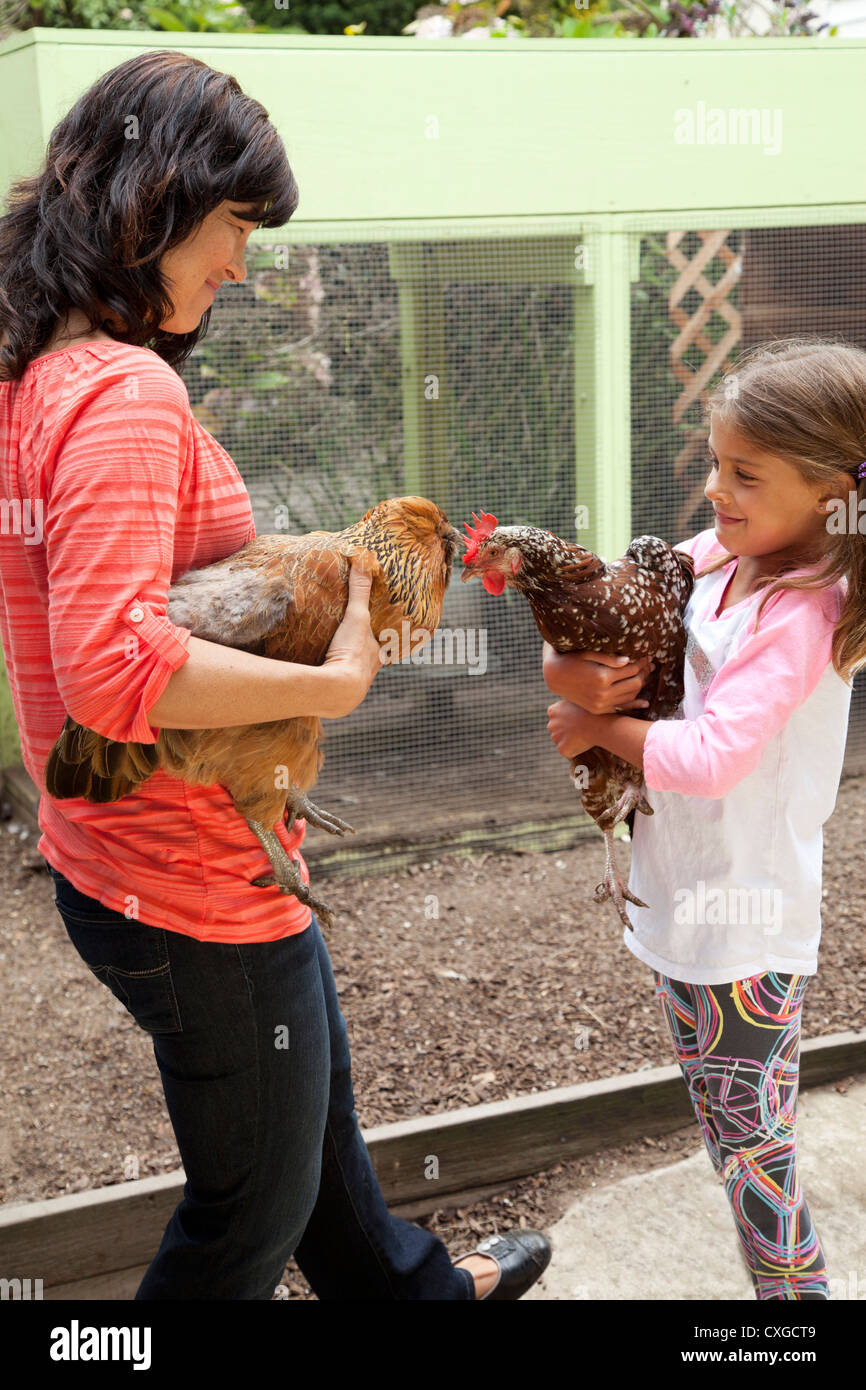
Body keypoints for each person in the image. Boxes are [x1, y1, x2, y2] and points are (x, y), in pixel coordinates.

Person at [0, 50, 550, 1300]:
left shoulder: (33, 372)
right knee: (248, 1213)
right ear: (156, 196)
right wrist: (334, 686)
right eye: (236, 225)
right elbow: (114, 669)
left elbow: (75, 628)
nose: (244, 264)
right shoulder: (127, 395)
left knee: (311, 1118)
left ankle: (416, 1295)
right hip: (183, 880)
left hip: (123, 844)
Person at [543, 337, 866, 1300]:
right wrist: (573, 672)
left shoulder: (802, 613)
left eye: (745, 474)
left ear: (826, 493)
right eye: (716, 463)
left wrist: (598, 721)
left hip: (742, 925)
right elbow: (607, 616)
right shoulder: (723, 557)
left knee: (757, 1160)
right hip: (685, 903)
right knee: (737, 1144)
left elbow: (713, 755)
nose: (716, 490)